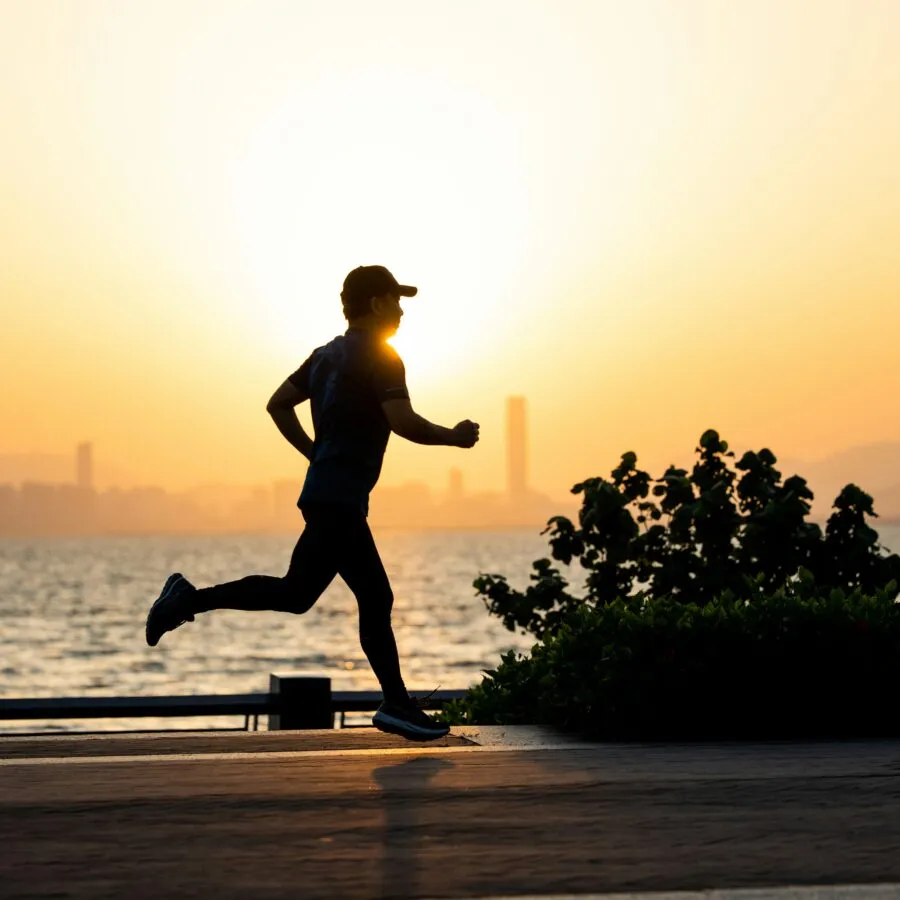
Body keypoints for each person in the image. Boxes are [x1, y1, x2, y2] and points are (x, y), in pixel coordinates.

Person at [145, 265, 480, 741]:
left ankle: (186, 598)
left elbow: (278, 404)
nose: (402, 310)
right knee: (375, 596)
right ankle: (397, 705)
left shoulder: (324, 356)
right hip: (339, 499)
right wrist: (453, 437)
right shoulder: (384, 358)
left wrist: (313, 453)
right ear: (377, 303)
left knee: (296, 595)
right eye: (396, 299)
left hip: (324, 494)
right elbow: (402, 420)